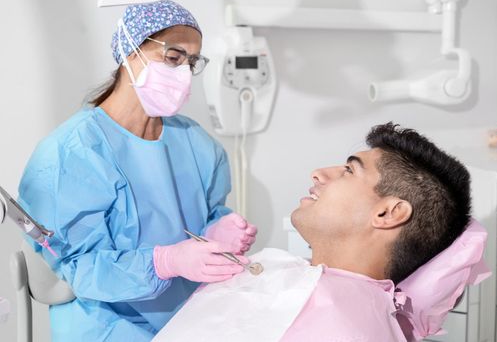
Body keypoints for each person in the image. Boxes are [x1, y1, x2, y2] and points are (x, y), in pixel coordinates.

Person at [17, 0, 257, 341]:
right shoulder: (72, 153)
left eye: (192, 62)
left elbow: (205, 213)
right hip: (105, 324)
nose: (185, 73)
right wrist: (164, 262)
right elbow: (78, 268)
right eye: (173, 58)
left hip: (189, 316)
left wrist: (218, 228)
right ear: (131, 51)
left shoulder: (194, 142)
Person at [153, 122, 479, 342]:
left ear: (388, 213)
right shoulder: (292, 275)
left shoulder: (345, 328)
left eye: (350, 170)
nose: (319, 173)